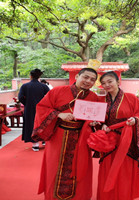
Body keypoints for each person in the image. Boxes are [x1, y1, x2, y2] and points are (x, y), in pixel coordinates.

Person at [31, 67, 98, 200]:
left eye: (92, 80)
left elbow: (98, 118)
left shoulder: (94, 97)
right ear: (77, 76)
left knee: (81, 170)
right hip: (58, 137)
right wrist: (59, 114)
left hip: (81, 139)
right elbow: (41, 108)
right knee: (54, 169)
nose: (88, 81)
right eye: (85, 77)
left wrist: (94, 123)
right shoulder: (58, 91)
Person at [95, 71, 139, 200]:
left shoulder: (131, 98)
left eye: (110, 81)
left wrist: (135, 120)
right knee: (107, 168)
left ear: (118, 81)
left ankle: (124, 196)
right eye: (103, 83)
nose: (107, 85)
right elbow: (99, 120)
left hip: (126, 139)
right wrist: (101, 125)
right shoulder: (101, 100)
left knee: (124, 169)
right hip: (109, 141)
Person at [18, 69, 50, 151]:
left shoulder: (25, 86)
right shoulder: (44, 86)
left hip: (29, 108)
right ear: (39, 76)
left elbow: (20, 97)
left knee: (31, 124)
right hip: (42, 108)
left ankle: (35, 144)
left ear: (31, 76)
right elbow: (49, 97)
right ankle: (43, 140)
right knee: (42, 123)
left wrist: (27, 103)